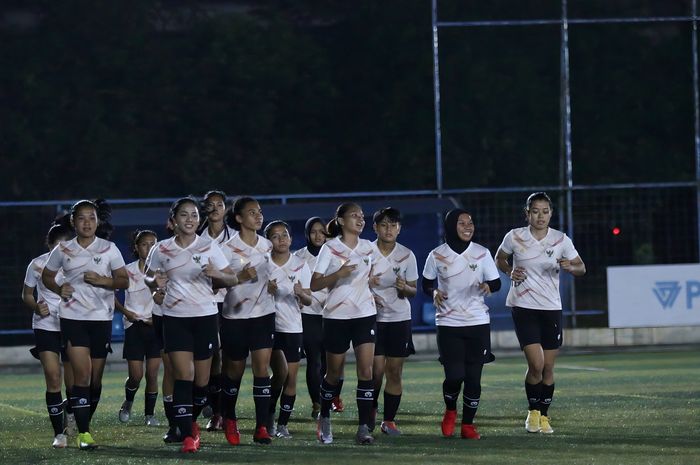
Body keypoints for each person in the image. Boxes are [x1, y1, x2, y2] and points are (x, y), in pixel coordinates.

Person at [145, 196, 238, 453]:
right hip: (175, 318)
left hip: (206, 317)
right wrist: (155, 283)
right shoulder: (161, 248)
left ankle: (191, 422)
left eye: (194, 215)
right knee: (183, 376)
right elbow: (148, 277)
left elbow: (232, 278)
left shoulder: (208, 246)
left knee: (202, 381)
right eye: (184, 215)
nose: (190, 219)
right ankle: (188, 435)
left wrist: (217, 274)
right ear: (173, 220)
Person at [495, 192, 586, 434]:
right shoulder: (514, 236)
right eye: (535, 211)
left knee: (548, 368)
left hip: (551, 308)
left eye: (545, 211)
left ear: (551, 214)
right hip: (523, 307)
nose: (541, 216)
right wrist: (508, 271)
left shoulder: (560, 240)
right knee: (536, 364)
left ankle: (544, 416)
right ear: (527, 213)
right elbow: (500, 258)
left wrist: (571, 266)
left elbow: (581, 267)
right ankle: (532, 412)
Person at [42, 199, 129, 450]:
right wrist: (59, 289)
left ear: (97, 221)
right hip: (73, 319)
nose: (87, 222)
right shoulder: (63, 250)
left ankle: (80, 417)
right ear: (73, 222)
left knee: (95, 382)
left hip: (100, 320)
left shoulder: (109, 248)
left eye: (91, 217)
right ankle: (84, 434)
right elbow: (47, 276)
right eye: (81, 218)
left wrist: (104, 281)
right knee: (82, 375)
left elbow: (123, 281)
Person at [422, 208, 501, 440]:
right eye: (462, 223)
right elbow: (426, 284)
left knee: (474, 379)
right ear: (450, 227)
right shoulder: (437, 255)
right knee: (455, 375)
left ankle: (468, 424)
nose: (468, 226)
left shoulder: (482, 253)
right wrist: (434, 290)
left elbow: (495, 282)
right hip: (448, 323)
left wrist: (489, 287)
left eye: (470, 222)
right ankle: (450, 411)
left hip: (478, 322)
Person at [310, 202, 377, 445]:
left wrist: (374, 283)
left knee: (366, 371)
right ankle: (325, 417)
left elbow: (369, 277)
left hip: (365, 314)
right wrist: (338, 274)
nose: (360, 219)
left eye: (362, 216)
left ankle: (363, 428)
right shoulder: (330, 248)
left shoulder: (369, 247)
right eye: (354, 216)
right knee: (334, 373)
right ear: (340, 220)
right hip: (336, 317)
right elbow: (315, 284)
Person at [218, 196, 275, 445]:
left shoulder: (268, 245)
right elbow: (215, 282)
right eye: (252, 212)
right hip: (235, 318)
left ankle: (262, 426)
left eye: (260, 212)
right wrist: (239, 277)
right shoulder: (226, 249)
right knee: (234, 371)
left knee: (262, 369)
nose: (258, 216)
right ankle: (229, 419)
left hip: (263, 315)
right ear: (239, 218)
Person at [22, 223, 75, 448]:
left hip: (73, 325)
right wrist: (36, 307)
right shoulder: (36, 265)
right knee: (54, 377)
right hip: (45, 325)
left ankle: (71, 411)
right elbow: (26, 294)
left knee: (76, 383)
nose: (60, 253)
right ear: (49, 246)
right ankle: (59, 434)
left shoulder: (79, 264)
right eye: (56, 248)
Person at [368, 207, 418, 436]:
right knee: (375, 371)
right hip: (372, 319)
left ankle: (389, 421)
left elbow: (413, 291)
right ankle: (370, 409)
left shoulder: (407, 255)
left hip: (399, 318)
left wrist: (404, 287)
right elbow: (354, 283)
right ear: (375, 228)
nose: (389, 229)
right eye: (384, 225)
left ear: (399, 228)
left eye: (393, 225)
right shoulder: (365, 251)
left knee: (394, 371)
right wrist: (369, 291)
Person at [264, 220, 312, 439]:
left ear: (291, 239)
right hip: (268, 326)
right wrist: (266, 290)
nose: (281, 239)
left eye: (284, 235)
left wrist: (301, 294)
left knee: (290, 378)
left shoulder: (300, 264)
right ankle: (269, 416)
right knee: (280, 373)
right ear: (268, 241)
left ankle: (282, 424)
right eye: (275, 236)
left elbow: (309, 300)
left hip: (293, 327)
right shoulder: (263, 264)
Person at [197, 190, 236, 432]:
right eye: (209, 205)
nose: (214, 208)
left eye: (219, 204)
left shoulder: (236, 239)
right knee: (212, 359)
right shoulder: (196, 238)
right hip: (206, 304)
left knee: (230, 360)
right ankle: (215, 411)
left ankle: (227, 411)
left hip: (231, 303)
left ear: (226, 209)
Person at [116, 229, 162, 427]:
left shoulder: (163, 271)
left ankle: (149, 415)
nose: (149, 247)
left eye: (153, 243)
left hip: (156, 326)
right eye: (144, 244)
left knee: (152, 374)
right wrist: (126, 313)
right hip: (134, 326)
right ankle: (128, 401)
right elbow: (108, 295)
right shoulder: (127, 270)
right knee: (136, 376)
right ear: (137, 247)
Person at [294, 217, 332, 419]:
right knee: (314, 362)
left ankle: (330, 397)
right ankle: (317, 404)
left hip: (333, 314)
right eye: (314, 232)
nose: (318, 236)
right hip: (309, 315)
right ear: (307, 234)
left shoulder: (335, 254)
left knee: (332, 364)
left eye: (322, 232)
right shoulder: (299, 258)